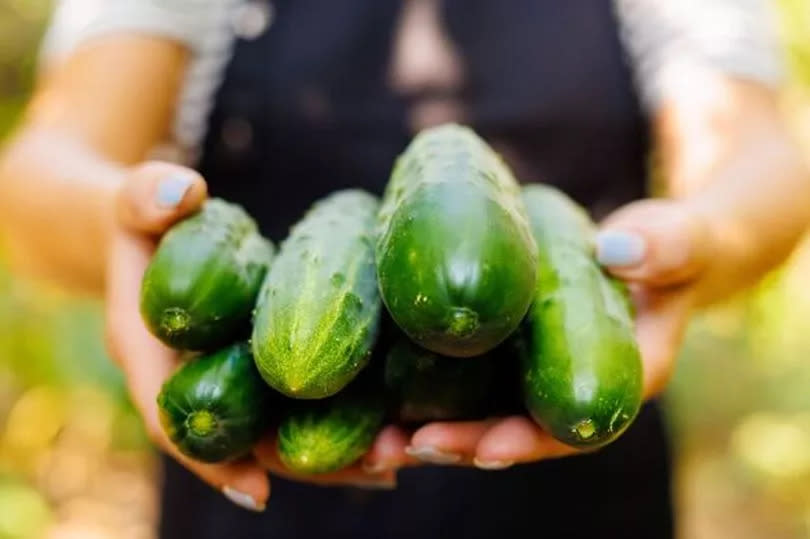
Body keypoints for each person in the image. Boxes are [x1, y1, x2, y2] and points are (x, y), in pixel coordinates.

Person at [1, 0, 808, 537]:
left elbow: (755, 154)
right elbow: (41, 173)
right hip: (267, 458)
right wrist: (121, 222)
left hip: (571, 467)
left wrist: (705, 235)